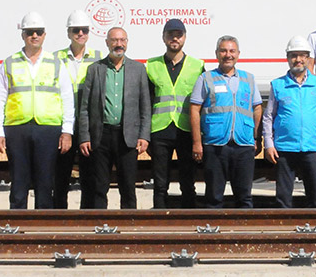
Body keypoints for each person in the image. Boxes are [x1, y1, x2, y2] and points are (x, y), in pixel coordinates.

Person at [0, 12, 75, 209]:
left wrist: (67, 131)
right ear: (23, 35)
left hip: (48, 129)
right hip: (17, 129)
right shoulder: (10, 62)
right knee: (19, 182)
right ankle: (18, 227)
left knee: (45, 182)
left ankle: (43, 229)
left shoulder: (55, 63)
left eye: (38, 32)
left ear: (44, 35)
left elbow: (67, 98)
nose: (34, 36)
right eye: (30, 32)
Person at [76, 28, 151, 209]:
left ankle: (129, 227)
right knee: (99, 186)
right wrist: (84, 136)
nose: (119, 44)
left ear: (127, 42)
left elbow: (145, 106)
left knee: (128, 186)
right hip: (101, 136)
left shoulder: (138, 69)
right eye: (115, 40)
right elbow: (84, 108)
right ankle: (100, 226)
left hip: (128, 136)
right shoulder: (95, 70)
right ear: (107, 43)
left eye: (122, 40)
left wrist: (144, 135)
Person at [189, 35, 262, 209]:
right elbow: (194, 109)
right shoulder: (206, 78)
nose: (227, 55)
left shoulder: (249, 79)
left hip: (243, 144)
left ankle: (243, 233)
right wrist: (197, 142)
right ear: (217, 54)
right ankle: (212, 233)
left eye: (232, 51)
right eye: (223, 51)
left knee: (244, 196)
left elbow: (257, 108)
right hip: (215, 144)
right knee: (214, 196)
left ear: (238, 54)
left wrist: (256, 138)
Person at [263, 36, 316, 208]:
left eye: (302, 55)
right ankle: (285, 231)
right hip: (284, 149)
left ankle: (314, 230)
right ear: (287, 58)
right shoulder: (278, 85)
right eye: (294, 55)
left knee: (314, 197)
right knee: (283, 198)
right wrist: (269, 144)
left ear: (308, 58)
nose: (298, 59)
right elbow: (268, 116)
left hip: (312, 148)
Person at [146, 18, 205, 208]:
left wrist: (200, 136)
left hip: (186, 130)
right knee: (160, 183)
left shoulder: (197, 66)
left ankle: (188, 220)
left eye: (178, 35)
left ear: (185, 38)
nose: (175, 38)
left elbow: (203, 104)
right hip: (160, 130)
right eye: (170, 34)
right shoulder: (151, 65)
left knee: (188, 181)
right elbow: (145, 102)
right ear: (163, 38)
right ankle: (159, 222)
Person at [53, 10, 103, 209]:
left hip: (88, 124)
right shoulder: (56, 58)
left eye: (84, 30)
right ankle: (59, 216)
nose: (80, 33)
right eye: (76, 30)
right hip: (63, 122)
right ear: (69, 32)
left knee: (89, 174)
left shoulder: (99, 58)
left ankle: (87, 216)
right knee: (60, 175)